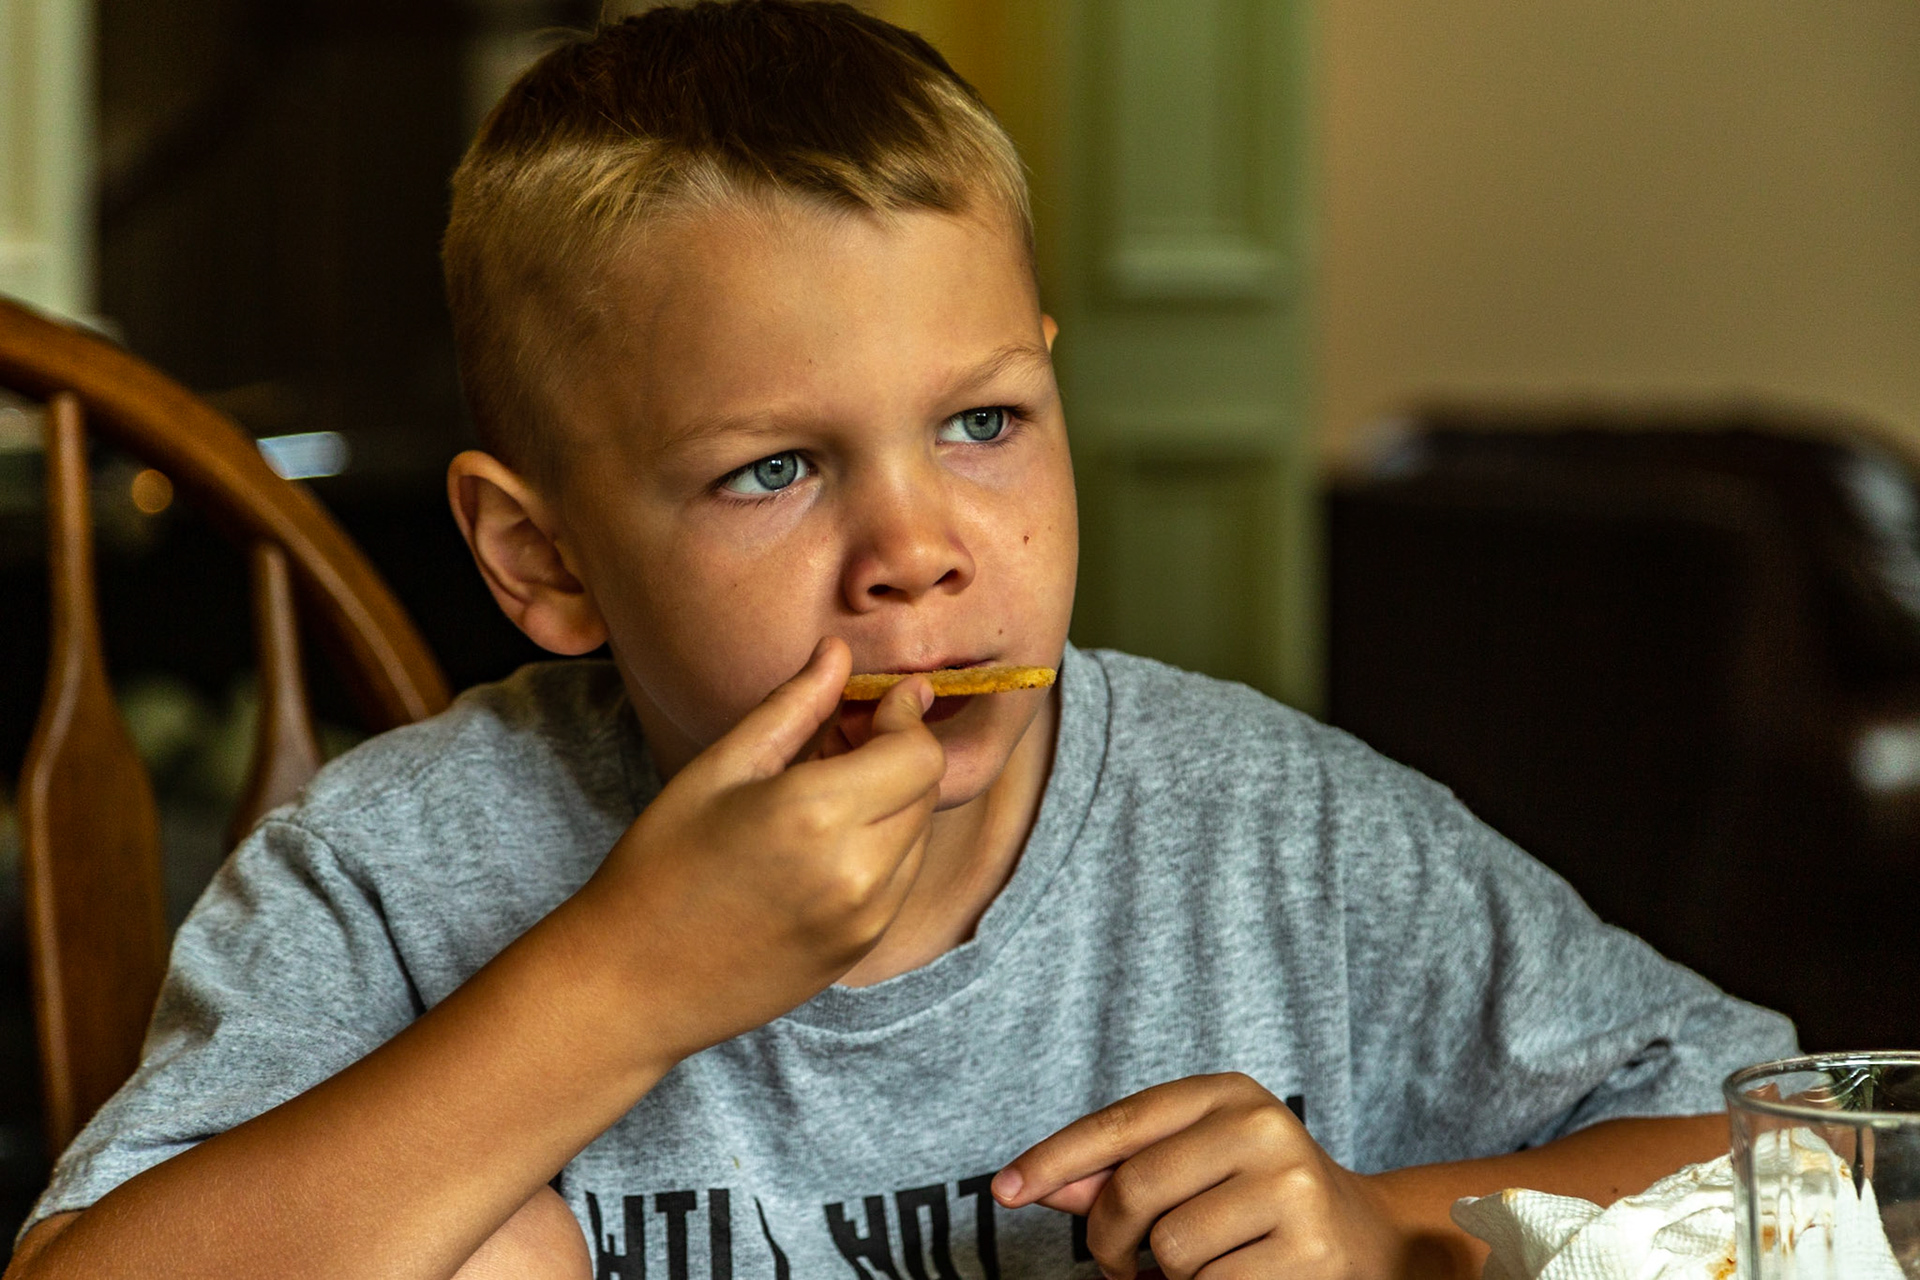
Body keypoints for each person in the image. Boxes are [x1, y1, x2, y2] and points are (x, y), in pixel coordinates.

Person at [6, 3, 1796, 1277]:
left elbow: (1805, 1153)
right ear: (542, 561)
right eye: (775, 468)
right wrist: (627, 979)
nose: (920, 553)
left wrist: (1383, 1225)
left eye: (983, 425)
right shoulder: (395, 878)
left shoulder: (1275, 842)